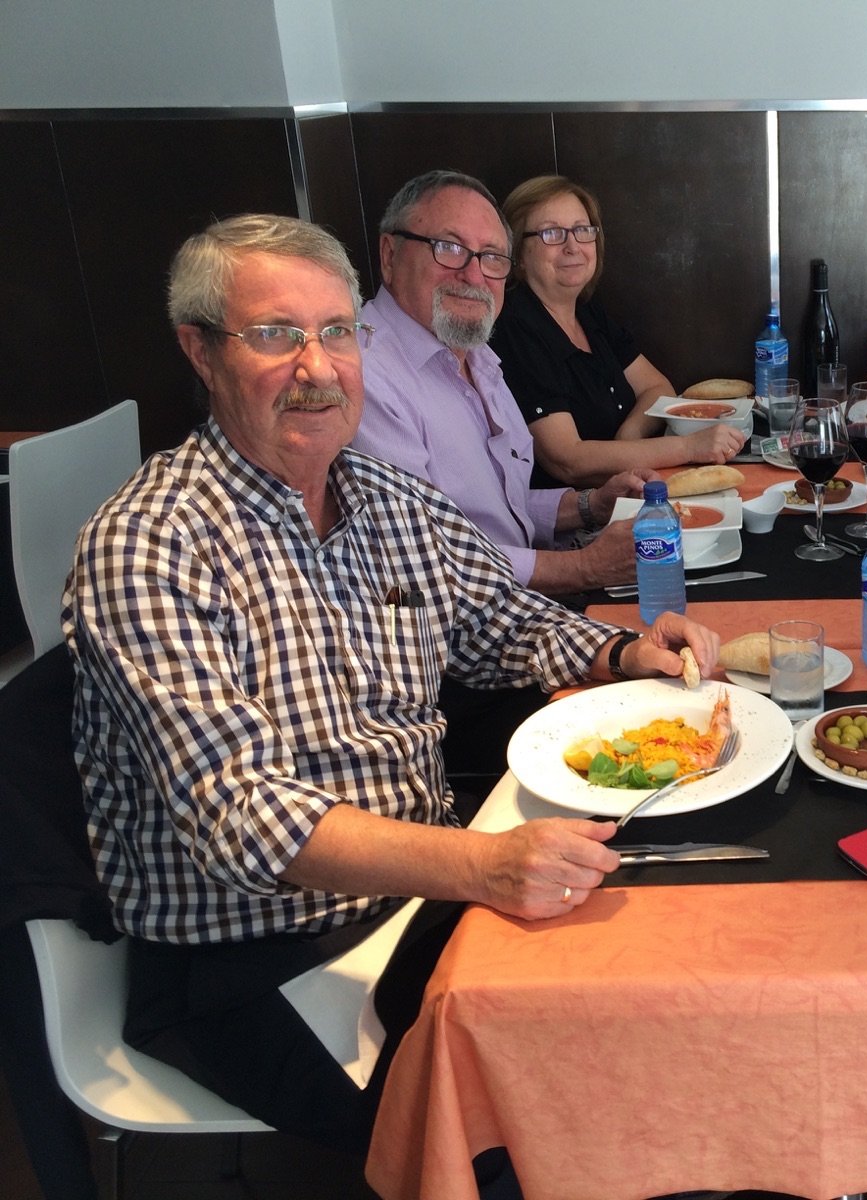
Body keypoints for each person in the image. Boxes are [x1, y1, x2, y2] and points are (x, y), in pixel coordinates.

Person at [65, 213, 718, 1162]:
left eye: (337, 332)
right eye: (275, 335)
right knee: (513, 1145)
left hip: (419, 892)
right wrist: (483, 867)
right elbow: (245, 818)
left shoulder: (381, 497)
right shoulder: (149, 542)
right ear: (200, 353)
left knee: (644, 1030)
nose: (318, 367)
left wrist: (621, 655)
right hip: (253, 956)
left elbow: (505, 620)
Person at [352, 169, 645, 596]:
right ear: (390, 255)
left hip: (517, 607)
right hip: (459, 640)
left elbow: (496, 508)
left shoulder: (476, 353)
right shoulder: (363, 373)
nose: (474, 276)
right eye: (448, 249)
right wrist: (585, 567)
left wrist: (589, 505)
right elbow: (423, 555)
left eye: (491, 257)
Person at [489, 174, 746, 488]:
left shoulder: (586, 310)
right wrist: (689, 447)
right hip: (574, 521)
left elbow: (658, 387)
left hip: (627, 491)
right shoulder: (515, 327)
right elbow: (566, 460)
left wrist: (630, 438)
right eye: (552, 233)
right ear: (518, 254)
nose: (573, 246)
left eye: (582, 230)